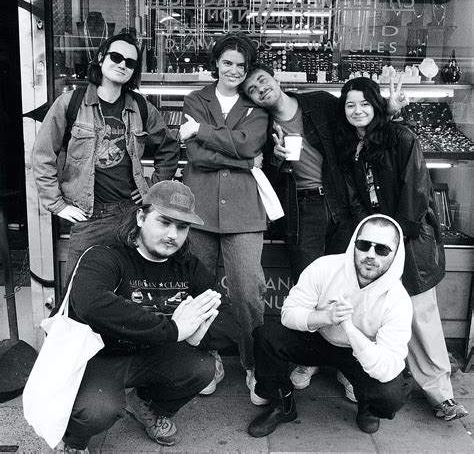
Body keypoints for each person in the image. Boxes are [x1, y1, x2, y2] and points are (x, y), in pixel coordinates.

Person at [241, 63, 409, 397]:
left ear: (275, 76)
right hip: (301, 208)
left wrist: (388, 110)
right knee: (309, 284)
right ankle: (311, 359)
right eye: (253, 91)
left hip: (339, 198)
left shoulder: (319, 101)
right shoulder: (261, 125)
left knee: (353, 277)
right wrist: (275, 159)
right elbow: (264, 180)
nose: (261, 90)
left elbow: (355, 123)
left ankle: (349, 363)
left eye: (262, 81)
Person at [54, 180, 241, 451]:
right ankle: (75, 442)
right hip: (102, 356)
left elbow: (230, 320)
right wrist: (173, 329)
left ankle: (146, 405)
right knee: (98, 410)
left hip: (155, 354)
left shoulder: (188, 267)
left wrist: (199, 337)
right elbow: (91, 304)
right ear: (141, 217)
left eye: (182, 226)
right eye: (164, 222)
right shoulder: (106, 255)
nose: (173, 235)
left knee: (202, 368)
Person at [335, 77, 468, 421]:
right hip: (376, 241)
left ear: (376, 106)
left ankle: (442, 395)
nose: (357, 110)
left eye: (364, 103)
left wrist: (395, 236)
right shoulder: (350, 146)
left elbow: (416, 191)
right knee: (378, 313)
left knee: (421, 315)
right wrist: (370, 233)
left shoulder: (400, 137)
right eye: (350, 105)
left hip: (407, 240)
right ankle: (385, 383)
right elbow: (354, 198)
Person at [247, 214, 412, 437]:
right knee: (267, 336)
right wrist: (327, 316)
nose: (370, 255)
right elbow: (288, 314)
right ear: (354, 243)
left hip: (359, 354)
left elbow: (387, 367)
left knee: (391, 395)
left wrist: (349, 328)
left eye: (382, 249)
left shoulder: (398, 300)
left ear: (396, 253)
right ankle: (282, 405)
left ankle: (368, 406)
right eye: (364, 245)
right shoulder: (325, 267)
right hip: (318, 339)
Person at [32, 32, 180, 279]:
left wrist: (151, 190)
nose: (122, 65)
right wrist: (56, 204)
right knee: (80, 289)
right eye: (116, 57)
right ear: (101, 58)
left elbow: (169, 147)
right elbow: (42, 154)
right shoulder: (70, 103)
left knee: (132, 287)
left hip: (131, 215)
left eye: (130, 62)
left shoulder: (140, 107)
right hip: (89, 216)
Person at [179, 33, 270, 392]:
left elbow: (250, 142)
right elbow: (196, 156)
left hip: (244, 211)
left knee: (248, 292)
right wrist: (244, 162)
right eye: (227, 62)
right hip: (199, 208)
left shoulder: (256, 104)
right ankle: (206, 358)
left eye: (241, 65)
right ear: (216, 63)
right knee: (199, 290)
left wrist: (202, 131)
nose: (234, 70)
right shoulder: (195, 99)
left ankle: (253, 362)